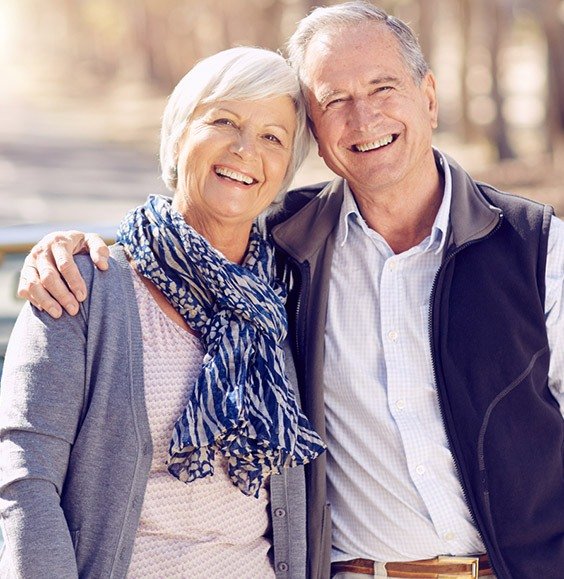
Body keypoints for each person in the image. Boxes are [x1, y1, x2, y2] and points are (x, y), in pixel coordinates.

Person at [15, 2, 564, 578]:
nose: (364, 117)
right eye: (334, 102)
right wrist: (61, 251)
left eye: (382, 88)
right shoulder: (285, 251)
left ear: (428, 96)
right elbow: (26, 473)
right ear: (318, 139)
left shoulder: (537, 248)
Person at [0, 46, 327, 578]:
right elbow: (25, 480)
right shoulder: (82, 287)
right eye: (225, 120)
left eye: (273, 137)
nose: (246, 149)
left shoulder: (285, 297)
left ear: (285, 170)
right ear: (178, 135)